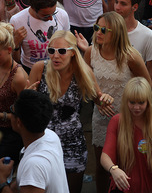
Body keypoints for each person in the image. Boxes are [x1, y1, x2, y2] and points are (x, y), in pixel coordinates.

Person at [29, 30, 114, 193]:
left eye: (61, 51)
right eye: (51, 51)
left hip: (72, 142)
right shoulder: (40, 69)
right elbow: (25, 107)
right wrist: (26, 96)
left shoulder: (83, 72)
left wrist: (106, 99)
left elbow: (98, 98)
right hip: (42, 140)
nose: (55, 56)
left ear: (73, 53)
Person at [83, 11, 151, 193]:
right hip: (101, 118)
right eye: (97, 27)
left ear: (118, 32)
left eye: (104, 30)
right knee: (102, 166)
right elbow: (85, 85)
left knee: (127, 165)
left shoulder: (131, 56)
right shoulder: (90, 52)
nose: (98, 32)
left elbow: (146, 85)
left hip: (127, 118)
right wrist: (97, 99)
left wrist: (133, 103)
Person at [101, 77, 152, 193]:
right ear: (126, 101)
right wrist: (113, 169)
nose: (136, 107)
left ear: (148, 102)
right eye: (132, 102)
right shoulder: (117, 121)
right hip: (122, 189)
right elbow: (105, 156)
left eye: (141, 102)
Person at [0, 89, 69, 193]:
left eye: (12, 109)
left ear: (19, 122)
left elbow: (31, 177)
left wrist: (2, 181)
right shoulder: (50, 136)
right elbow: (25, 184)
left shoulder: (33, 165)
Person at [10, 0, 70, 74]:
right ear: (33, 8)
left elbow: (68, 45)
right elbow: (15, 60)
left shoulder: (62, 14)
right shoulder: (17, 20)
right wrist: (16, 43)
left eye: (54, 13)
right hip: (30, 70)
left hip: (56, 69)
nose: (51, 18)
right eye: (45, 15)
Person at [115, 0, 152, 85]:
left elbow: (151, 69)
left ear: (135, 7)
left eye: (123, 4)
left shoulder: (148, 35)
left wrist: (145, 94)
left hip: (133, 94)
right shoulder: (105, 29)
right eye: (116, 2)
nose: (117, 7)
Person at [0, 22, 27, 165]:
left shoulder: (19, 77)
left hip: (11, 135)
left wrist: (3, 116)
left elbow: (26, 114)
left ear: (9, 49)